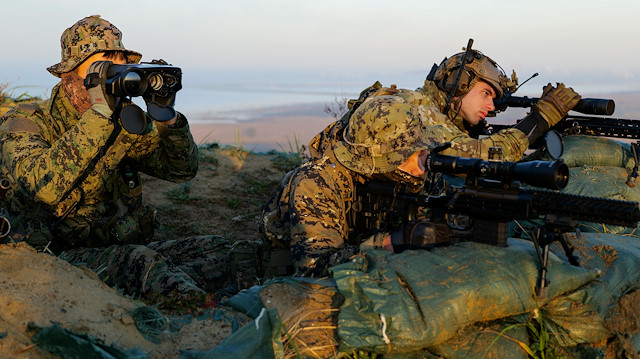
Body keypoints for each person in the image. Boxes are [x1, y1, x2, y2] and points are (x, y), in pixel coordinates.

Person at [260, 45, 583, 278]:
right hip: (279, 274)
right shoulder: (319, 182)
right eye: (485, 93)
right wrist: (393, 242)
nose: (490, 105)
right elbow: (313, 271)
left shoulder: (414, 168)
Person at [0, 15, 257, 297]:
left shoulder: (122, 120)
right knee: (141, 263)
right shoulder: (27, 120)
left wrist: (166, 118)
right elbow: (43, 187)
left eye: (121, 66)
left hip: (112, 249)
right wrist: (98, 114)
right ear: (69, 77)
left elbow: (181, 170)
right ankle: (201, 312)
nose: (115, 76)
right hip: (51, 260)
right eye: (104, 67)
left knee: (219, 251)